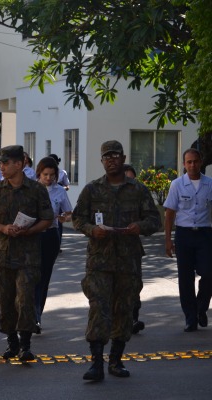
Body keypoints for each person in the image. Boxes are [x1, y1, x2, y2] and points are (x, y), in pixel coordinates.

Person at [72, 140, 160, 381]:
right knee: (99, 309)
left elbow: (154, 221)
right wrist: (92, 230)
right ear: (102, 161)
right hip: (99, 261)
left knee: (124, 310)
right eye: (106, 157)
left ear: (123, 158)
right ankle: (96, 363)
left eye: (115, 156)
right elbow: (77, 218)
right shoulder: (92, 190)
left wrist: (138, 227)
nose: (111, 160)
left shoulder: (138, 189)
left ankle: (116, 360)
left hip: (128, 261)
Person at [0, 145, 53, 363]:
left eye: (5, 163)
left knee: (26, 298)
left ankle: (26, 344)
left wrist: (29, 230)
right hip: (3, 254)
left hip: (29, 255)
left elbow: (47, 218)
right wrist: (2, 228)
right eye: (0, 162)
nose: (0, 166)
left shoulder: (36, 190)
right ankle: (12, 342)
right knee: (6, 299)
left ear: (19, 164)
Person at [163, 148, 212, 332]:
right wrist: (168, 240)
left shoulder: (210, 184)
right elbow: (169, 214)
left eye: (195, 161)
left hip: (205, 234)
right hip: (184, 234)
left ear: (201, 162)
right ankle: (190, 318)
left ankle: (201, 307)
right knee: (185, 278)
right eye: (189, 162)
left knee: (208, 274)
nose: (192, 165)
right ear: (184, 164)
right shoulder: (177, 185)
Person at [34, 156, 72, 333]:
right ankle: (29, 314)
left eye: (51, 175)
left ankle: (37, 316)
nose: (48, 178)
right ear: (39, 174)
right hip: (32, 235)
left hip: (51, 235)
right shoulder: (31, 189)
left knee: (44, 277)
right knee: (30, 276)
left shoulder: (59, 191)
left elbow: (68, 212)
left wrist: (65, 217)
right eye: (45, 174)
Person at [123, 164, 145, 334]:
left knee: (135, 285)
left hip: (132, 248)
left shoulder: (140, 196)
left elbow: (153, 220)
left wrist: (140, 225)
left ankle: (133, 319)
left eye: (132, 179)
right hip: (109, 251)